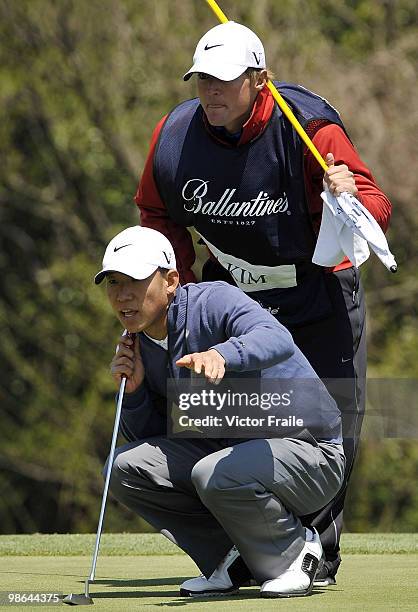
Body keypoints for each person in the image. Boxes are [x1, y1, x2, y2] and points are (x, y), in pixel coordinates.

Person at [133, 21, 393, 584]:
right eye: (202, 80)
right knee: (233, 420)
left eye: (225, 81)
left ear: (259, 80)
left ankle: (316, 552)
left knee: (326, 421)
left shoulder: (310, 128)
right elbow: (157, 215)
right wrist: (169, 292)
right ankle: (253, 548)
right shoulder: (175, 134)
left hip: (317, 292)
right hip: (230, 299)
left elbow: (375, 203)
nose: (211, 93)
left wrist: (348, 199)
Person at [95, 224, 345, 598]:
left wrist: (222, 354)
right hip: (229, 456)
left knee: (215, 472)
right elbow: (156, 442)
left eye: (135, 280)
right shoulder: (136, 344)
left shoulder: (214, 301)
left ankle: (298, 552)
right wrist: (133, 394)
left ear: (171, 280)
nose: (122, 295)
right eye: (113, 283)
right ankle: (229, 560)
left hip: (311, 454)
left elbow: (276, 338)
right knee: (124, 466)